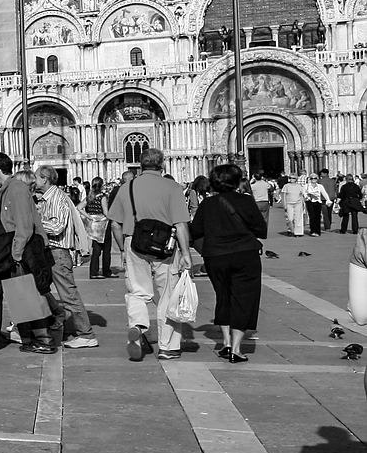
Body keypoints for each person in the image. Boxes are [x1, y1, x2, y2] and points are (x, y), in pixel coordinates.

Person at [106, 148, 192, 361]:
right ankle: (167, 347)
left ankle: (137, 324)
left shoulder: (127, 187)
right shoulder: (172, 187)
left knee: (137, 291)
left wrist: (122, 249)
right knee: (167, 294)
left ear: (141, 165)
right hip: (165, 246)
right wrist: (186, 253)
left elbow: (115, 223)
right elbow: (180, 224)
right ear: (162, 165)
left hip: (134, 242)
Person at [0, 154, 56, 354]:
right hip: (3, 250)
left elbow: (24, 224)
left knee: (23, 294)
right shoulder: (9, 189)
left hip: (14, 250)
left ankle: (43, 338)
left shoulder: (16, 189)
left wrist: (16, 254)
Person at [190, 163, 266, 363]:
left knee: (223, 296)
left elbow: (195, 231)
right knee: (244, 299)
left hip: (215, 256)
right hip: (244, 255)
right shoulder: (246, 201)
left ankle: (225, 343)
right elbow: (261, 229)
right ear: (236, 181)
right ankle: (237, 348)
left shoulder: (207, 204)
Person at [33, 165, 98, 349]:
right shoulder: (47, 198)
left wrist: (34, 223)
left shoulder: (57, 198)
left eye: (36, 177)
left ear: (45, 179)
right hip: (50, 252)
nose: (34, 180)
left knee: (69, 295)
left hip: (58, 253)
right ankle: (57, 314)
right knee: (39, 288)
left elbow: (57, 226)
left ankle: (86, 334)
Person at [84, 177, 112, 279]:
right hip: (103, 223)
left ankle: (93, 271)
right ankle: (106, 271)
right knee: (106, 248)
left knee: (96, 249)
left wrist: (89, 216)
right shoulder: (102, 197)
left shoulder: (90, 196)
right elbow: (106, 212)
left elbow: (79, 207)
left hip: (93, 224)